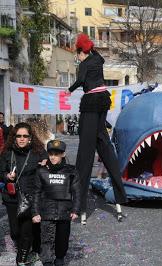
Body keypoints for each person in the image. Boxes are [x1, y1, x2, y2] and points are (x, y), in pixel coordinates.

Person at [65, 33, 127, 223]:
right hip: (103, 102)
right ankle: (119, 197)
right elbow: (94, 65)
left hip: (91, 103)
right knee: (104, 143)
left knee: (85, 153)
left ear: (81, 52)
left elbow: (82, 80)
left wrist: (69, 89)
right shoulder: (98, 59)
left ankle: (80, 205)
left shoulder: (84, 63)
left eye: (77, 54)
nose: (77, 57)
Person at [0, 122, 47, 265]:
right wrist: (7, 176)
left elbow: (53, 159)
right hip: (12, 197)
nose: (21, 139)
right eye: (18, 136)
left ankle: (21, 259)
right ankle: (29, 247)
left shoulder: (38, 153)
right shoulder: (7, 153)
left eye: (25, 136)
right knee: (15, 232)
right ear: (14, 137)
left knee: (26, 232)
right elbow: (0, 172)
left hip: (30, 197)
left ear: (30, 138)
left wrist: (47, 163)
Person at [32, 140, 80, 266]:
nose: (53, 157)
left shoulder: (71, 171)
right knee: (46, 238)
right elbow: (36, 193)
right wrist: (35, 212)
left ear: (63, 154)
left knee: (62, 239)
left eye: (57, 154)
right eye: (51, 154)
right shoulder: (41, 171)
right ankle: (47, 261)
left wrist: (75, 210)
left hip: (64, 211)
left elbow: (77, 192)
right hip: (46, 210)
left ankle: (59, 258)